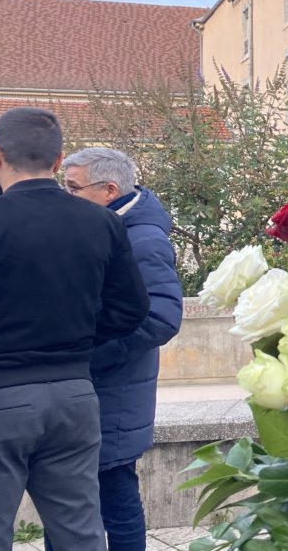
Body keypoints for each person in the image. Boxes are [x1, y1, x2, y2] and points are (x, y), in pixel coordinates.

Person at [0, 107, 149, 551]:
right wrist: (76, 337)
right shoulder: (104, 223)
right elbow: (131, 311)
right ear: (58, 161)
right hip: (74, 394)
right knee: (79, 532)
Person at [41, 148, 183, 551]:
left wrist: (90, 356)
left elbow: (161, 318)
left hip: (113, 393)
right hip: (92, 391)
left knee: (115, 501)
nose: (65, 196)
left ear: (109, 190)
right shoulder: (100, 226)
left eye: (72, 188)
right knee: (70, 502)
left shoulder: (142, 239)